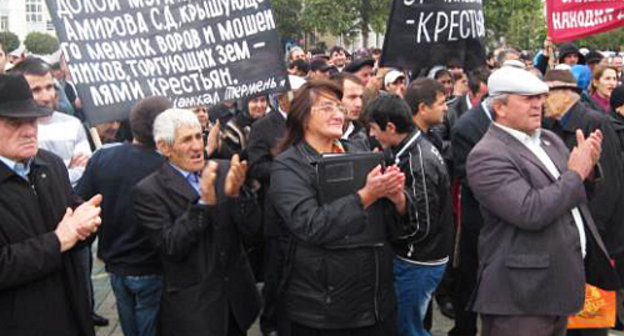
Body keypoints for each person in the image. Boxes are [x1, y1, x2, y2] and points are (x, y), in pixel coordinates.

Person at [466, 65, 618, 336]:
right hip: (521, 297)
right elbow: (530, 211)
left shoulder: (547, 138)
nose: (538, 104)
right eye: (527, 99)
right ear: (499, 107)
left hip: (557, 288)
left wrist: (590, 169)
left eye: (540, 97)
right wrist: (576, 172)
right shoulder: (487, 154)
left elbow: (572, 195)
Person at [269, 79, 408, 335]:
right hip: (325, 309)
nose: (337, 114)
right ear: (302, 116)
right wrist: (365, 195)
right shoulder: (288, 166)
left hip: (377, 300)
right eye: (326, 108)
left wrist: (397, 200)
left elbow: (389, 227)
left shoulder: (359, 149)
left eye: (339, 107)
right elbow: (310, 225)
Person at [133, 109, 262, 336]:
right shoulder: (149, 191)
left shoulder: (223, 170)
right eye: (186, 139)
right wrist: (203, 205)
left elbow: (253, 231)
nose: (196, 146)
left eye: (198, 136)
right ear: (165, 148)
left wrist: (238, 197)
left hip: (237, 300)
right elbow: (171, 246)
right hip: (196, 309)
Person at [0, 73, 102, 335]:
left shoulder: (50, 164)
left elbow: (69, 214)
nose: (29, 131)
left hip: (73, 313)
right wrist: (58, 240)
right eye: (14, 122)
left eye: (32, 120)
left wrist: (86, 223)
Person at [77, 96, 172, 336]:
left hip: (117, 264)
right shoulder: (168, 167)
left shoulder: (102, 158)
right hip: (152, 266)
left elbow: (82, 203)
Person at [366, 94, 453, 336]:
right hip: (423, 259)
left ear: (390, 127)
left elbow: (421, 227)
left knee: (408, 329)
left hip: (418, 262)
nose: (372, 134)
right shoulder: (410, 149)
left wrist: (395, 206)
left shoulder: (417, 160)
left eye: (374, 128)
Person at [247, 75, 306, 336]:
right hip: (276, 214)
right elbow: (256, 167)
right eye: (299, 95)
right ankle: (270, 324)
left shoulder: (307, 123)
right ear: (283, 97)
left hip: (305, 210)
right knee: (275, 274)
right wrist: (290, 169)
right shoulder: (263, 127)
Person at [333, 72, 371, 150]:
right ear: (334, 97)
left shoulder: (367, 135)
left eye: (360, 97)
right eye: (352, 97)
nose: (359, 104)